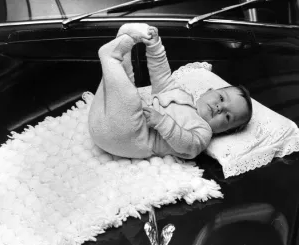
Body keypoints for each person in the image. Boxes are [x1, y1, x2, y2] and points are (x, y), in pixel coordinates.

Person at [88, 23, 252, 160]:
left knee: (130, 97)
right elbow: (162, 75)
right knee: (121, 82)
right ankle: (124, 40)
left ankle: (110, 57)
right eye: (221, 98)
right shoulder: (182, 95)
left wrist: (161, 122)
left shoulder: (203, 133)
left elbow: (188, 144)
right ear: (208, 91)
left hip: (131, 139)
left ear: (224, 131)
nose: (219, 108)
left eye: (228, 116)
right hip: (101, 122)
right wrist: (154, 45)